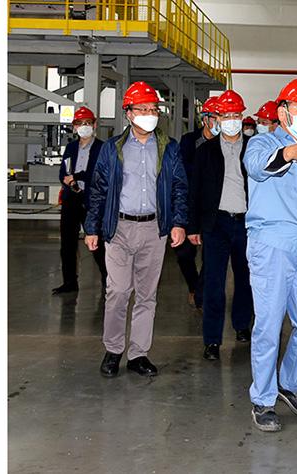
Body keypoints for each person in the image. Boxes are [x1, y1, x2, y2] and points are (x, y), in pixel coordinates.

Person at [84, 81, 188, 378]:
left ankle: (138, 353)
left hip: (154, 229)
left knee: (146, 295)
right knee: (118, 291)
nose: (150, 114)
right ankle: (113, 349)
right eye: (143, 109)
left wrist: (179, 222)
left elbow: (180, 187)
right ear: (128, 113)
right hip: (118, 228)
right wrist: (92, 228)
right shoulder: (111, 149)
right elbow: (98, 190)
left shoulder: (169, 148)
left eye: (153, 109)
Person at [243, 78, 297, 432]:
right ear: (282, 112)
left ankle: (290, 383)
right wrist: (290, 153)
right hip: (272, 247)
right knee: (268, 327)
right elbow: (256, 168)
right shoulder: (262, 142)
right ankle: (263, 399)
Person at [187, 89, 254, 361]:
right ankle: (212, 340)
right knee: (214, 283)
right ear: (217, 118)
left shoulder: (254, 148)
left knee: (245, 278)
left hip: (247, 224)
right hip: (217, 224)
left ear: (242, 117)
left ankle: (242, 325)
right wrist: (193, 227)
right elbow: (195, 190)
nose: (231, 121)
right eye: (225, 116)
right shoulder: (206, 151)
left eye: (235, 115)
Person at [52, 106, 108, 294]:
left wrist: (77, 176)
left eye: (88, 123)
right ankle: (69, 282)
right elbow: (63, 171)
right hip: (71, 197)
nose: (84, 126)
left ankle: (107, 280)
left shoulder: (102, 148)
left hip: (91, 200)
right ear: (74, 127)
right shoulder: (71, 148)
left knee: (96, 241)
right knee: (67, 243)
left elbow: (98, 174)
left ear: (94, 125)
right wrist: (68, 180)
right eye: (80, 123)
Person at [176, 96, 221, 310]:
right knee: (184, 253)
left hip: (214, 205)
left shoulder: (225, 144)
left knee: (211, 254)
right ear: (205, 119)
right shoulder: (189, 141)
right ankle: (193, 285)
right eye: (215, 117)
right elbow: (183, 168)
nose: (219, 122)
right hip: (190, 202)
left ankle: (201, 295)